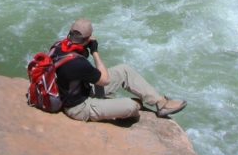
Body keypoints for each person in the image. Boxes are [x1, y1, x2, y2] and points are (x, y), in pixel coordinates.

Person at [52, 18, 186, 122]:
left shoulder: (58, 46)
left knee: (124, 70)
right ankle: (122, 104)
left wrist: (85, 46)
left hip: (80, 89)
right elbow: (105, 80)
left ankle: (160, 102)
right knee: (132, 106)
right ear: (87, 39)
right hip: (79, 107)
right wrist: (95, 51)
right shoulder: (78, 62)